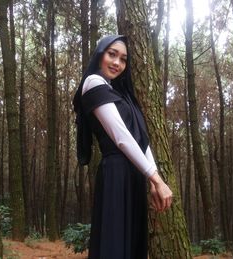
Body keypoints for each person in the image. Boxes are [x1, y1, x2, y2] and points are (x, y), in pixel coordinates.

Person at [73, 35, 173, 259]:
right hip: (116, 174)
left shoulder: (123, 96)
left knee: (132, 243)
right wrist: (156, 179)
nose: (117, 62)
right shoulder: (93, 83)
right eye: (112, 54)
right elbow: (121, 137)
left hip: (135, 174)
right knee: (114, 244)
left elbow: (141, 140)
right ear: (100, 55)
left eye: (123, 59)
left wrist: (153, 179)